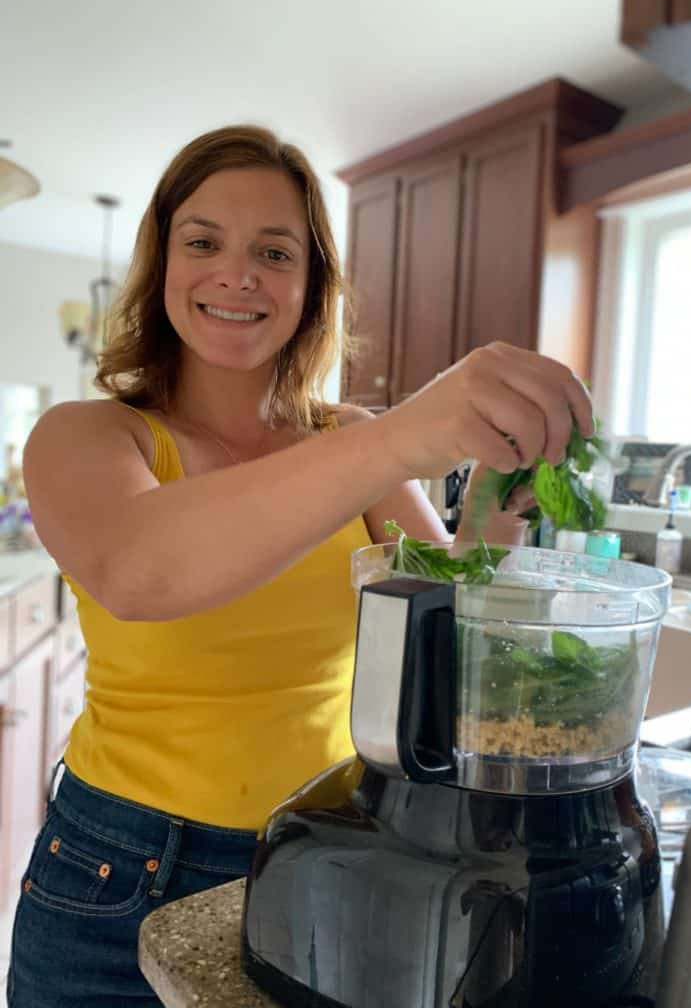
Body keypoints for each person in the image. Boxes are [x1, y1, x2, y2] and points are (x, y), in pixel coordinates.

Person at [6, 124, 593, 1006]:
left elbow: (446, 606)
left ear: (312, 284)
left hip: (324, 855)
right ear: (161, 264)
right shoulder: (89, 435)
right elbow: (139, 570)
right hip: (117, 873)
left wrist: (500, 498)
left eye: (274, 252)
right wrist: (404, 434)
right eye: (203, 242)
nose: (237, 275)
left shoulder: (349, 443)